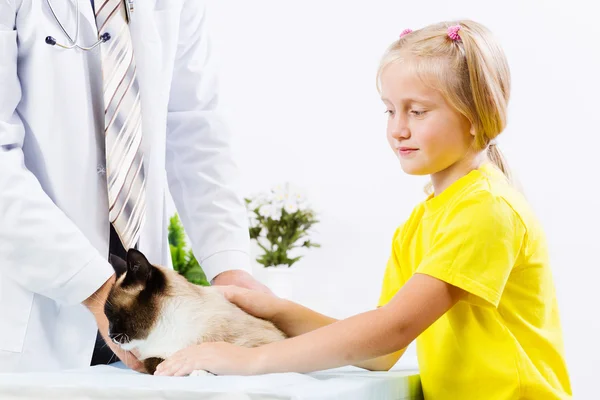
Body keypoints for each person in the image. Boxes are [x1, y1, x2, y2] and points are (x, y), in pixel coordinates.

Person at [152, 20, 572, 399]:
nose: (398, 128)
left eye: (418, 111)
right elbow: (382, 349)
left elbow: (394, 328)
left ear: (477, 116)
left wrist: (250, 359)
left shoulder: (486, 209)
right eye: (390, 110)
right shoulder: (424, 219)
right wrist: (275, 309)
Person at [0, 0, 269, 373]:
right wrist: (94, 288)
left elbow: (197, 128)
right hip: (37, 303)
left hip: (150, 315)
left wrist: (231, 268)